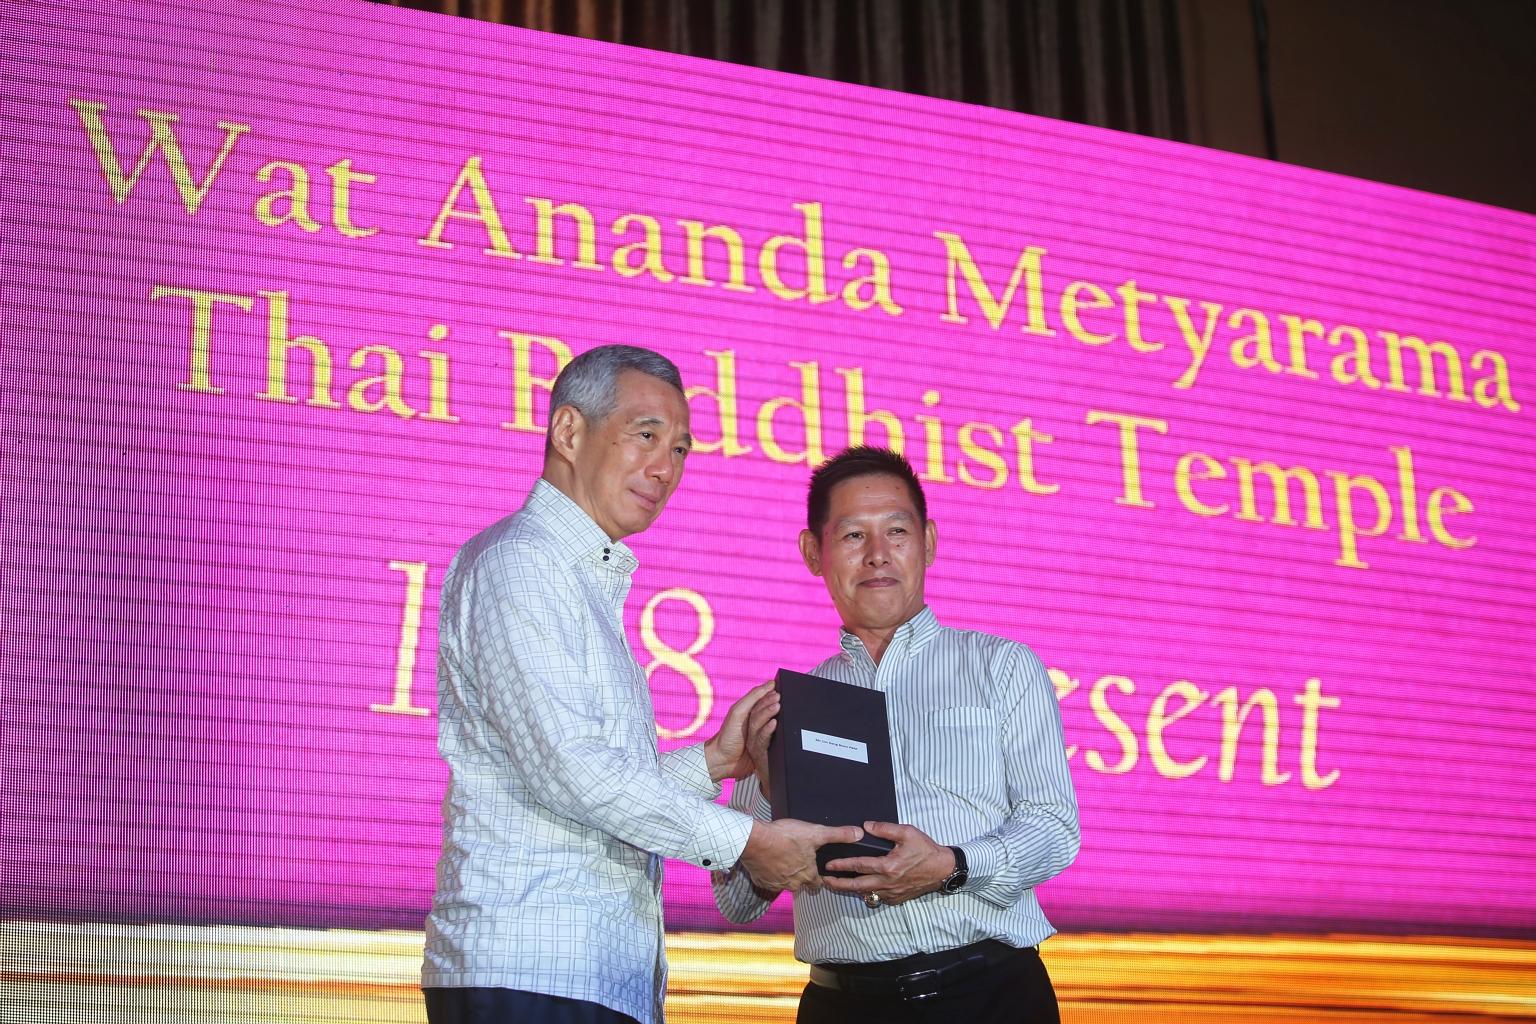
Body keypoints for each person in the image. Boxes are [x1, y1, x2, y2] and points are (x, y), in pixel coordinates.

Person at [423, 345, 861, 1024]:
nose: (665, 468)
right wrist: (749, 843)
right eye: (646, 435)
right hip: (532, 970)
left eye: (681, 448)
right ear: (569, 432)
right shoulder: (521, 565)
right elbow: (575, 773)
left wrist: (714, 761)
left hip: (590, 976)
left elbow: (587, 782)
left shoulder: (579, 578)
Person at [713, 445, 1080, 1023]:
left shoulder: (1001, 666)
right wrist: (764, 780)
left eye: (897, 531)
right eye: (854, 536)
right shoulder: (786, 704)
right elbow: (735, 900)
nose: (878, 555)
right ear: (815, 552)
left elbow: (1055, 831)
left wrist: (953, 865)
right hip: (842, 1006)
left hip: (991, 996)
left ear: (928, 542)